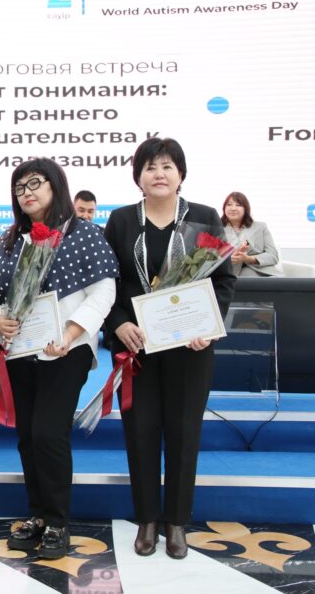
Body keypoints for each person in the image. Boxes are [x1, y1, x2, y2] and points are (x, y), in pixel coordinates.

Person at [103, 137, 234, 559]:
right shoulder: (121, 220)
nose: (158, 174)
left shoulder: (204, 217)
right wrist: (118, 323)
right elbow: (109, 284)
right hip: (138, 348)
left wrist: (208, 326)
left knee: (183, 433)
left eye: (167, 166)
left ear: (180, 174)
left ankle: (176, 522)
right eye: (150, 167)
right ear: (138, 176)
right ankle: (147, 519)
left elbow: (223, 281)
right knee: (140, 433)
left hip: (190, 348)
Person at [0, 159, 118, 559]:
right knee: (28, 435)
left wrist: (70, 335)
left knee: (49, 432)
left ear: (56, 185)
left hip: (67, 350)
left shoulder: (84, 234)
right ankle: (38, 515)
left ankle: (59, 521)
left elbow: (104, 292)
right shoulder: (9, 240)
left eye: (34, 184)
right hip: (21, 352)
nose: (26, 193)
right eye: (19, 188)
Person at [221, 191, 283, 277]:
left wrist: (249, 259)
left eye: (238, 205)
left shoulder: (260, 227)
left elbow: (273, 256)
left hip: (261, 273)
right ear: (224, 208)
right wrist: (228, 260)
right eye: (229, 204)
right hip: (229, 274)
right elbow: (209, 259)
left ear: (246, 209)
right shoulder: (216, 228)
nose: (233, 208)